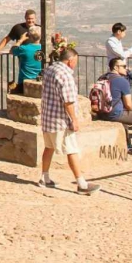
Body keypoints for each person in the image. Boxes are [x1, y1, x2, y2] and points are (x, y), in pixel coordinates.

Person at [38, 45, 101, 195]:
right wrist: (74, 119)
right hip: (61, 119)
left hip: (48, 117)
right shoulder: (65, 74)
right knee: (72, 149)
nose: (75, 64)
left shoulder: (50, 69)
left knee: (49, 147)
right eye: (75, 61)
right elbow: (68, 101)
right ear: (70, 60)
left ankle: (44, 177)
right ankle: (81, 184)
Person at [9, 28, 43, 93]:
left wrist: (21, 40)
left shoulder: (24, 49)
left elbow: (12, 51)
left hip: (24, 83)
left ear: (29, 36)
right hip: (40, 81)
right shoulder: (44, 49)